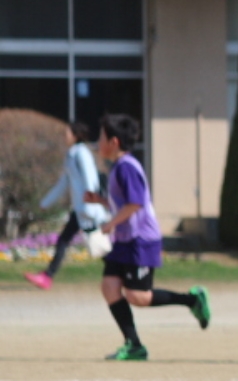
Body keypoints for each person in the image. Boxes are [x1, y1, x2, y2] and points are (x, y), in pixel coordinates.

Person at [87, 115, 211, 361]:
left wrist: (110, 224)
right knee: (110, 287)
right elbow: (124, 203)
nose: (98, 143)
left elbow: (135, 204)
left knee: (138, 297)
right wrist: (100, 201)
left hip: (140, 240)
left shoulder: (126, 167)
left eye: (101, 138)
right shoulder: (119, 167)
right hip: (125, 240)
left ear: (114, 142)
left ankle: (192, 299)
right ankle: (133, 345)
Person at [24, 121, 111, 290]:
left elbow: (90, 178)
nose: (64, 136)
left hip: (87, 210)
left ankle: (122, 273)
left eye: (67, 133)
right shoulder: (72, 155)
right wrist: (45, 203)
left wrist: (91, 202)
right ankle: (47, 276)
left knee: (99, 246)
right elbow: (63, 183)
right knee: (65, 241)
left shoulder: (81, 153)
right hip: (80, 210)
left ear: (76, 135)